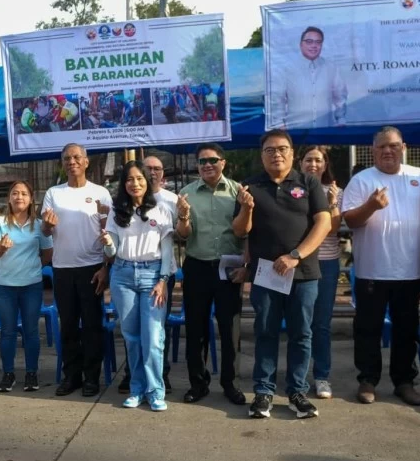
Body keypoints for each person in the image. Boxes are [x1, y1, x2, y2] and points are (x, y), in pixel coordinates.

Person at [232, 130, 331, 419]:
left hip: (304, 272)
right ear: (261, 154)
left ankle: (297, 391)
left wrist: (295, 256)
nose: (277, 154)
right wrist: (247, 209)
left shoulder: (309, 183)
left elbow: (323, 223)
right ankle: (263, 392)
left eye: (282, 149)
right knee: (265, 332)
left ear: (292, 154)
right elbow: (240, 231)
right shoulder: (250, 186)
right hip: (265, 274)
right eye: (270, 150)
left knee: (302, 333)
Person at [341, 127, 420, 406]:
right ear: (373, 150)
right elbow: (351, 221)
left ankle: (404, 382)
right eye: (381, 147)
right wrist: (371, 206)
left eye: (393, 146)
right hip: (372, 270)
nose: (387, 151)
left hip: (410, 269)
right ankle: (367, 380)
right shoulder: (361, 180)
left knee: (406, 329)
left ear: (403, 147)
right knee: (368, 329)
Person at [101, 161, 175, 411]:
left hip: (153, 275)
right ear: (124, 183)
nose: (135, 184)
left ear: (147, 181)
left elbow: (167, 249)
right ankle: (136, 389)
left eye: (140, 179)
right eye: (130, 179)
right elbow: (111, 250)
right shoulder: (116, 210)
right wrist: (107, 243)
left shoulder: (161, 208)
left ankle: (155, 391)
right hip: (122, 274)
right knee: (131, 337)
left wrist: (163, 281)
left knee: (153, 337)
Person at [176, 144, 247, 405]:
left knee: (230, 330)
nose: (207, 165)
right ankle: (198, 383)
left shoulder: (238, 192)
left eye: (212, 160)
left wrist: (246, 267)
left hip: (228, 268)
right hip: (196, 266)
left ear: (223, 163)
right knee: (196, 329)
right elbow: (183, 235)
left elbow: (246, 232)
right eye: (202, 161)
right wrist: (183, 217)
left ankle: (230, 384)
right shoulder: (186, 193)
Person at [41, 143, 112, 397]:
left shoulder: (101, 193)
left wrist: (105, 268)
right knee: (68, 325)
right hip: (62, 268)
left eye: (76, 157)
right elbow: (45, 231)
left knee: (93, 325)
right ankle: (72, 376)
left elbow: (109, 234)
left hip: (92, 268)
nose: (71, 162)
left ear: (86, 162)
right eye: (67, 158)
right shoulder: (53, 193)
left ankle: (92, 377)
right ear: (62, 163)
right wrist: (47, 226)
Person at [0, 180, 53, 392]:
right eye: (15, 193)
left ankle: (32, 373)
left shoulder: (39, 225)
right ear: (9, 198)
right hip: (4, 286)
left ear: (31, 198)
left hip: (31, 286)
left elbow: (48, 253)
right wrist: (2, 249)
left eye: (24, 193)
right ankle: (8, 374)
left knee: (31, 331)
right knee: (7, 331)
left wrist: (32, 267)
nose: (19, 197)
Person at [298, 145, 342, 400]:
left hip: (326, 263)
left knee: (321, 324)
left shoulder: (335, 191)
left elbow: (334, 229)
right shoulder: (293, 189)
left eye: (318, 160)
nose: (313, 165)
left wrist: (333, 203)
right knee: (300, 322)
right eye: (308, 160)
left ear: (325, 164)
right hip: (300, 263)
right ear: (300, 162)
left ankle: (321, 376)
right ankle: (299, 374)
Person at [271, 27, 347, 129]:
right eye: (309, 41)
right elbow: (278, 99)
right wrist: (279, 123)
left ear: (321, 45)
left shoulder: (331, 67)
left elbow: (340, 96)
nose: (314, 46)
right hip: (295, 131)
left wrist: (340, 118)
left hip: (325, 130)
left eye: (318, 42)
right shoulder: (287, 69)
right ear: (301, 44)